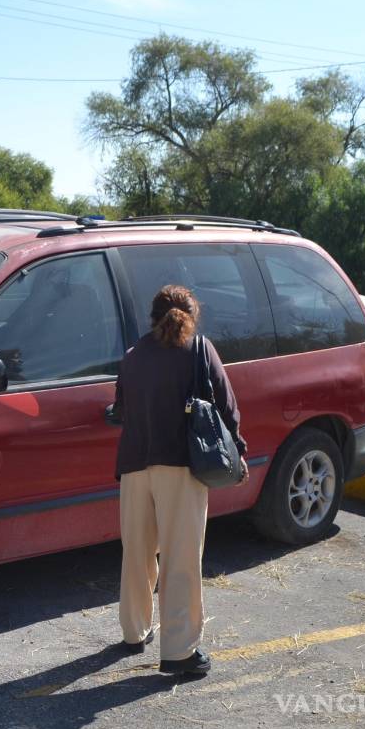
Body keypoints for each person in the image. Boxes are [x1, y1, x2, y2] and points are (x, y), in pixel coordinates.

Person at [113, 285, 247, 677]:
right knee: (181, 558)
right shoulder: (201, 350)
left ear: (152, 317)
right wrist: (238, 450)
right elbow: (226, 404)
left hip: (135, 464)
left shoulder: (133, 355)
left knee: (137, 553)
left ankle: (134, 631)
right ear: (192, 315)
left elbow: (119, 408)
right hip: (182, 467)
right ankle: (180, 652)